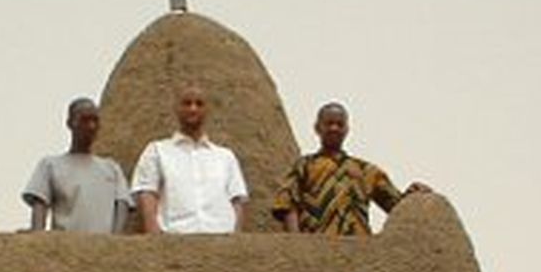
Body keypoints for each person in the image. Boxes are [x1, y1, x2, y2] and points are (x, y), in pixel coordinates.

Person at [272, 102, 430, 236]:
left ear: (347, 129)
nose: (334, 128)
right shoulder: (304, 165)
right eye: (329, 123)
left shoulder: (367, 171)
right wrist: (297, 242)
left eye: (340, 124)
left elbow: (396, 207)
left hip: (358, 251)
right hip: (317, 247)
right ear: (317, 128)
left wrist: (414, 197)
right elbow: (287, 203)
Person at [131, 85, 248, 234]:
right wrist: (154, 237)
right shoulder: (157, 151)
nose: (193, 109)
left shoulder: (225, 157)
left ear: (207, 110)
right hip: (175, 240)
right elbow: (147, 193)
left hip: (221, 240)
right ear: (176, 108)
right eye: (187, 103)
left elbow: (237, 199)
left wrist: (235, 237)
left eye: (199, 104)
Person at [22, 98, 132, 233]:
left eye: (95, 120)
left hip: (103, 249)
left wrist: (114, 242)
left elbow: (123, 204)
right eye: (84, 120)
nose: (91, 126)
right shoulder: (51, 165)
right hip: (67, 248)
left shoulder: (111, 168)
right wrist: (37, 239)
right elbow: (40, 203)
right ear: (70, 123)